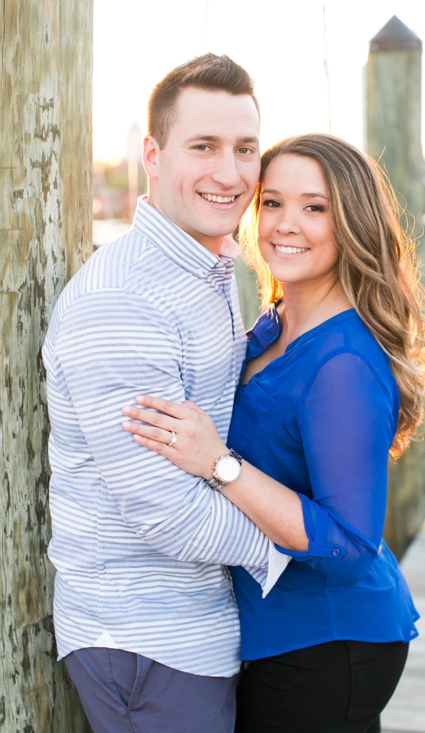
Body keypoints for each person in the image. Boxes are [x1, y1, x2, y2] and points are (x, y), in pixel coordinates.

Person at [120, 133, 425, 733]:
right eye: (272, 203)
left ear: (353, 225)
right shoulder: (275, 321)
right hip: (280, 632)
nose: (286, 225)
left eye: (315, 208)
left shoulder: (342, 364)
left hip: (321, 643)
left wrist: (219, 464)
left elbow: (348, 546)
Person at [42, 54, 288, 732]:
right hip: (145, 639)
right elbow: (167, 514)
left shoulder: (207, 267)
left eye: (245, 149)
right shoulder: (124, 301)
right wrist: (303, 541)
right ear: (152, 154)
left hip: (191, 626)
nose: (230, 173)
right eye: (202, 147)